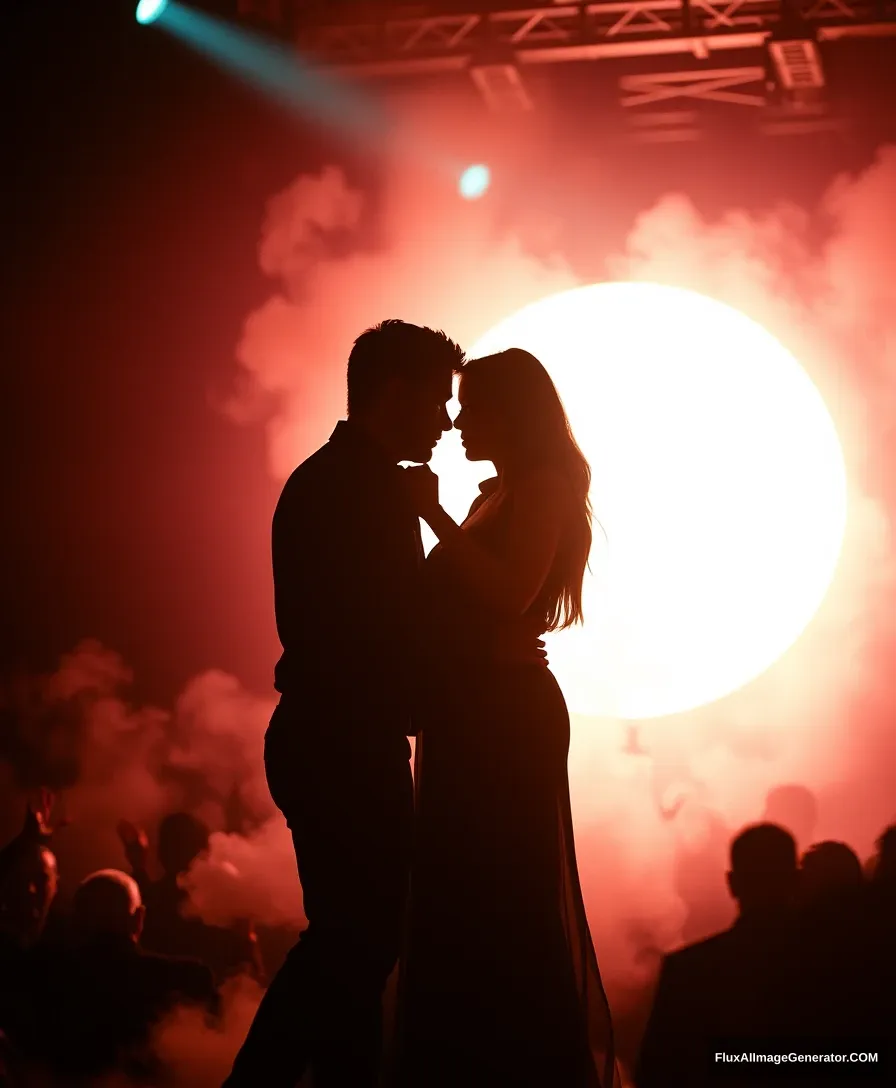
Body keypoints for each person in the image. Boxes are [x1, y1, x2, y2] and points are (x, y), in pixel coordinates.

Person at [224, 321, 544, 1088]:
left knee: (357, 945)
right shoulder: (356, 489)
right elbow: (377, 629)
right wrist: (478, 665)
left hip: (339, 736)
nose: (446, 420)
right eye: (437, 402)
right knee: (356, 941)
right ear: (394, 393)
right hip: (342, 740)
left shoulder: (349, 480)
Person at [395, 348, 618, 1087]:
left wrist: (429, 515)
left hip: (505, 720)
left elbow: (509, 594)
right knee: (460, 894)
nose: (457, 422)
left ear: (511, 414)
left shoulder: (543, 488)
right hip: (469, 712)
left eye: (473, 407)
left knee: (505, 895)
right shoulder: (492, 496)